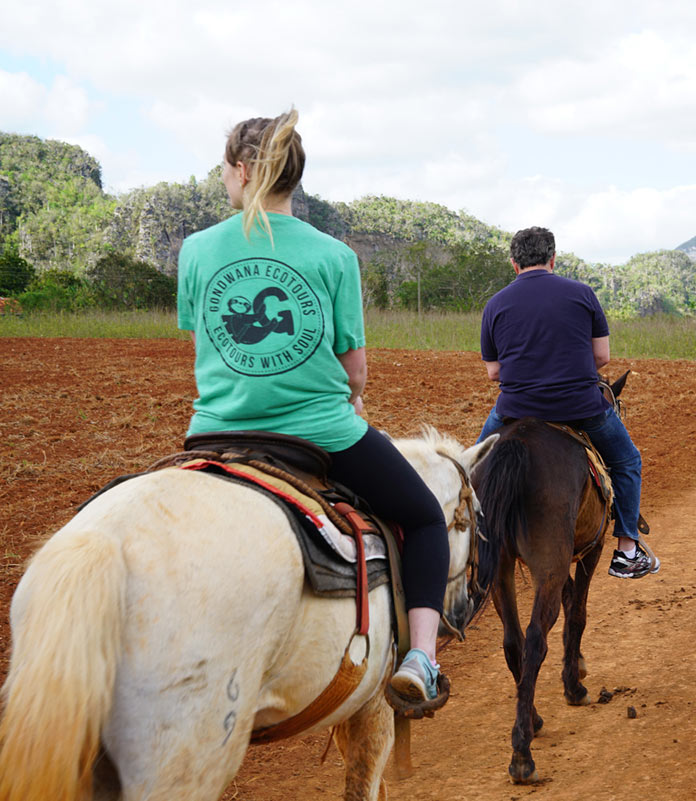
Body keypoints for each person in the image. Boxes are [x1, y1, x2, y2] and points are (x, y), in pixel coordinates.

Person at [176, 109, 447, 704]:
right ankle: (422, 658)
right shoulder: (334, 255)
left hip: (213, 435)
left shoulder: (196, 250)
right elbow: (355, 372)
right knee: (426, 517)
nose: (225, 178)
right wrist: (342, 395)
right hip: (318, 434)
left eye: (225, 169)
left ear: (243, 171)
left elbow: (203, 347)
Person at [475, 227, 658, 579]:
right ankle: (627, 550)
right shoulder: (582, 293)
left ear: (514, 263)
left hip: (516, 407)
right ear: (553, 259)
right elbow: (602, 357)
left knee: (471, 469)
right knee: (627, 460)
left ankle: (468, 544)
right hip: (581, 406)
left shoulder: (495, 304)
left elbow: (493, 373)